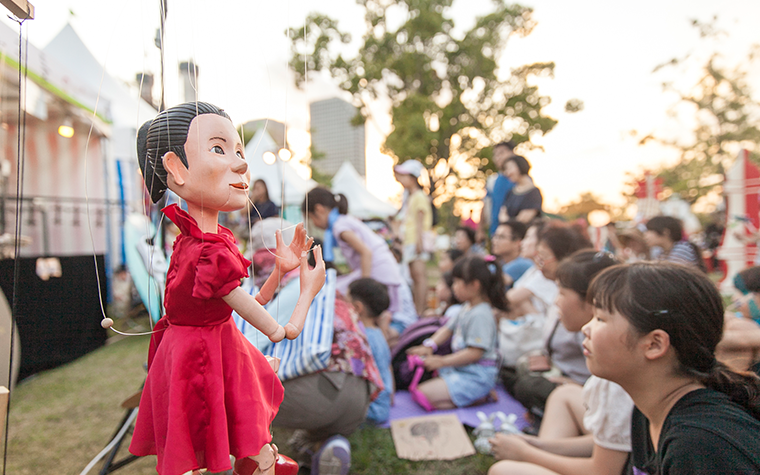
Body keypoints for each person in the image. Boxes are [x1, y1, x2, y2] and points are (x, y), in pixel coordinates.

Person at [128, 102, 326, 475]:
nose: (241, 164)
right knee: (221, 435)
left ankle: (259, 458)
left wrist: (278, 272)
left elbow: (241, 302)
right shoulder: (208, 250)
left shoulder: (195, 239)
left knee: (215, 440)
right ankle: (261, 461)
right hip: (203, 357)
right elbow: (282, 331)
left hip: (195, 349)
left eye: (237, 150)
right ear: (175, 168)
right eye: (219, 149)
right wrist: (307, 290)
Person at [583, 262, 760, 474]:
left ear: (655, 344)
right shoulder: (646, 412)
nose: (586, 328)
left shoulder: (698, 444)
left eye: (600, 318)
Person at [489, 250, 631, 475]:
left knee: (503, 470)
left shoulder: (616, 381)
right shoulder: (619, 375)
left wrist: (526, 453)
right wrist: (536, 446)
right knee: (562, 394)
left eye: (600, 318)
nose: (555, 301)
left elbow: (604, 470)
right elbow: (607, 442)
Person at [302, 186, 417, 344]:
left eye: (311, 218)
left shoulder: (339, 227)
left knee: (331, 290)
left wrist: (363, 287)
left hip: (378, 271)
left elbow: (366, 252)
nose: (314, 224)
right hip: (384, 270)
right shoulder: (343, 221)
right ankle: (381, 332)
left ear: (319, 209)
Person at [502, 226, 594, 418]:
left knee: (526, 385)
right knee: (510, 371)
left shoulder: (580, 305)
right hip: (557, 369)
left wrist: (577, 384)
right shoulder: (555, 287)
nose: (538, 261)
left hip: (575, 382)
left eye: (543, 256)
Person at [407, 256, 509, 409]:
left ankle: (482, 396)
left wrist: (441, 361)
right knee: (420, 393)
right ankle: (475, 396)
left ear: (474, 285)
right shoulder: (467, 307)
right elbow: (447, 329)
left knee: (423, 395)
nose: (453, 287)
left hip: (476, 376)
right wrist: (429, 346)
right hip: (460, 369)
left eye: (457, 282)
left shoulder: (481, 314)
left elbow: (475, 353)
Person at [348, 278, 394, 425]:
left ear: (357, 307)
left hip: (371, 409)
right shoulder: (377, 333)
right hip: (382, 405)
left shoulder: (361, 339)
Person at [393, 159, 434, 314]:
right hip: (410, 240)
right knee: (415, 277)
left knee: (419, 276)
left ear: (412, 178)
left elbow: (420, 221)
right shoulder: (411, 197)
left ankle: (420, 310)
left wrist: (418, 241)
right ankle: (418, 309)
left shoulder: (418, 196)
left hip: (415, 241)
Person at [481, 141, 517, 239]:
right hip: (495, 232)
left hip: (515, 234)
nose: (498, 157)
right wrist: (480, 230)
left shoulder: (520, 179)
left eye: (502, 153)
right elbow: (486, 204)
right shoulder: (492, 181)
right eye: (495, 154)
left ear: (512, 153)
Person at [499, 155, 542, 223]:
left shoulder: (534, 193)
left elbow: (523, 220)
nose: (507, 173)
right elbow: (502, 214)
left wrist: (507, 222)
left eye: (509, 168)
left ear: (520, 166)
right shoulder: (511, 192)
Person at [491, 221, 532, 289]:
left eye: (501, 237)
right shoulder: (502, 263)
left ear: (517, 243)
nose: (494, 241)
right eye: (495, 236)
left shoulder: (523, 264)